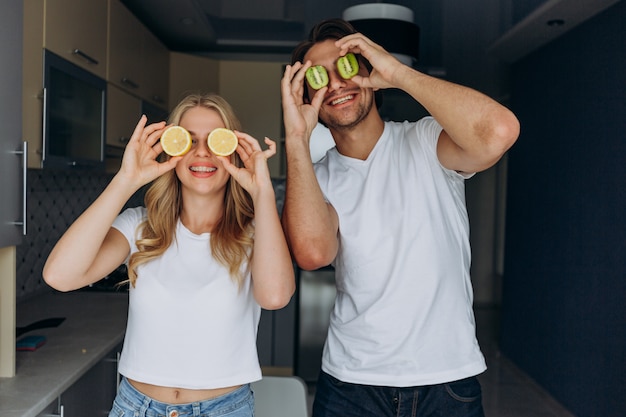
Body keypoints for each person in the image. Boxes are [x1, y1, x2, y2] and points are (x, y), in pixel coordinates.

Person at [280, 19, 520, 417]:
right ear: (306, 96)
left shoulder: (427, 141)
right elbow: (312, 254)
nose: (337, 84)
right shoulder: (315, 177)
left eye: (347, 67)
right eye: (319, 77)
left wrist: (398, 74)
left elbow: (499, 131)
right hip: (351, 384)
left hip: (446, 379)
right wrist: (295, 139)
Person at [43, 93, 295, 417]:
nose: (201, 152)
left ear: (233, 150)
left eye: (215, 141)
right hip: (136, 408)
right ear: (171, 148)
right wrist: (125, 180)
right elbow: (60, 276)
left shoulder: (256, 234)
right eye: (187, 140)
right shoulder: (139, 226)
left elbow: (274, 297)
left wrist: (261, 194)